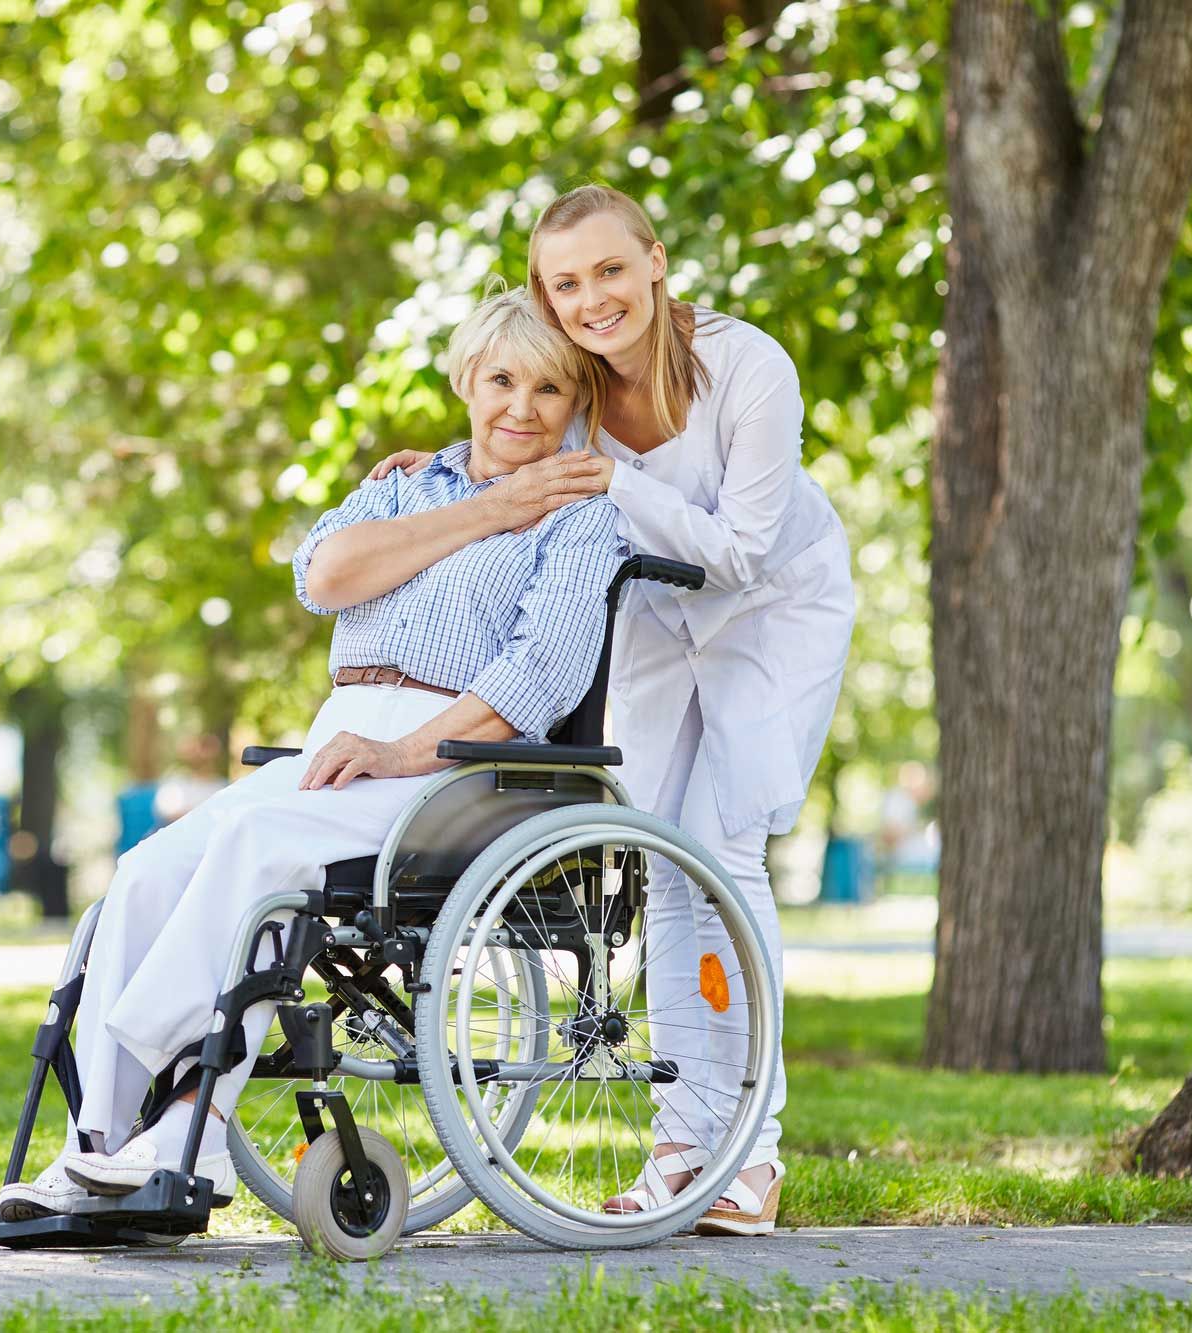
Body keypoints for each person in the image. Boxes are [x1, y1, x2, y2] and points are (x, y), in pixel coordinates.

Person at [0, 290, 629, 1219]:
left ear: (577, 401)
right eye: (501, 379)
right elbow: (325, 575)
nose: (520, 408)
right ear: (465, 379)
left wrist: (404, 749)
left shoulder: (580, 516)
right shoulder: (401, 486)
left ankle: (184, 1123)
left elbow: (542, 671)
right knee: (143, 870)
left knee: (259, 853)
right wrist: (491, 509)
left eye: (549, 387)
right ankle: (96, 1138)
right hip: (341, 739)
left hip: (452, 764)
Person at [369, 185, 854, 1235]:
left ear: (655, 264)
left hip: (771, 610)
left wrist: (608, 481)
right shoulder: (575, 383)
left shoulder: (747, 370)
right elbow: (514, 436)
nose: (591, 300)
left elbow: (735, 553)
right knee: (660, 858)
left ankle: (750, 1157)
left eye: (608, 272)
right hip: (656, 611)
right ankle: (686, 1146)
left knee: (722, 853)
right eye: (564, 282)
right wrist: (442, 472)